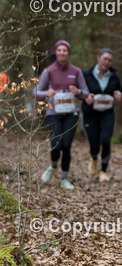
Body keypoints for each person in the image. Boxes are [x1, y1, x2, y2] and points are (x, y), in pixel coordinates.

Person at [36, 40, 89, 190]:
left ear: (68, 53)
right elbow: (36, 92)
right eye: (59, 50)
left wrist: (78, 92)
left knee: (66, 146)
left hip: (71, 114)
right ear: (55, 52)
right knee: (56, 144)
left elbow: (86, 93)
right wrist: (47, 93)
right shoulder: (49, 71)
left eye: (64, 50)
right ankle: (53, 166)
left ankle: (64, 178)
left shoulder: (76, 71)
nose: (62, 53)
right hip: (54, 113)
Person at [82, 49, 122, 182]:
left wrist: (119, 95)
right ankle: (94, 157)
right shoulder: (86, 74)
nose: (107, 62)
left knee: (106, 139)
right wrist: (85, 97)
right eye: (105, 59)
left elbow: (120, 91)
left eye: (110, 60)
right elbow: (79, 91)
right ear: (98, 58)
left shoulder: (114, 75)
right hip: (90, 114)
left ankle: (103, 170)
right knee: (94, 143)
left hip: (107, 114)